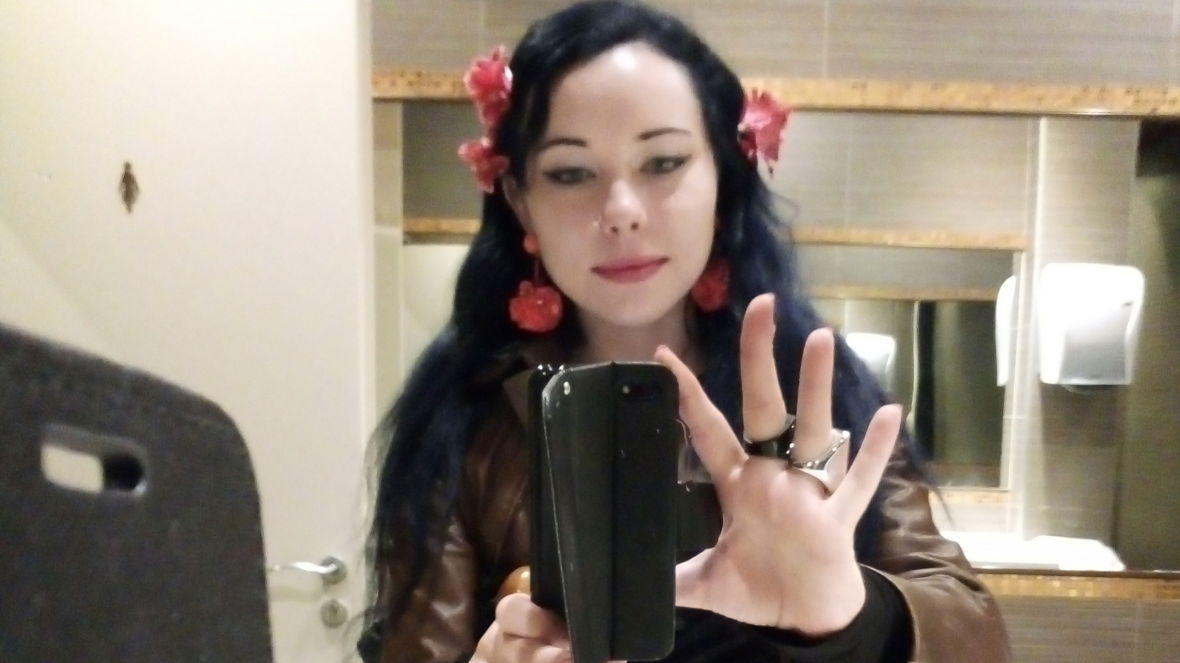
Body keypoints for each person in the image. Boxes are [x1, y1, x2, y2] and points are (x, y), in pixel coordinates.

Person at [362, 1, 1011, 661]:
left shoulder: (812, 388)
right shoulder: (467, 415)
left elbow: (973, 634)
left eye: (663, 162)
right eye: (571, 172)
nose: (621, 211)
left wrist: (852, 617)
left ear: (724, 177)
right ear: (520, 200)